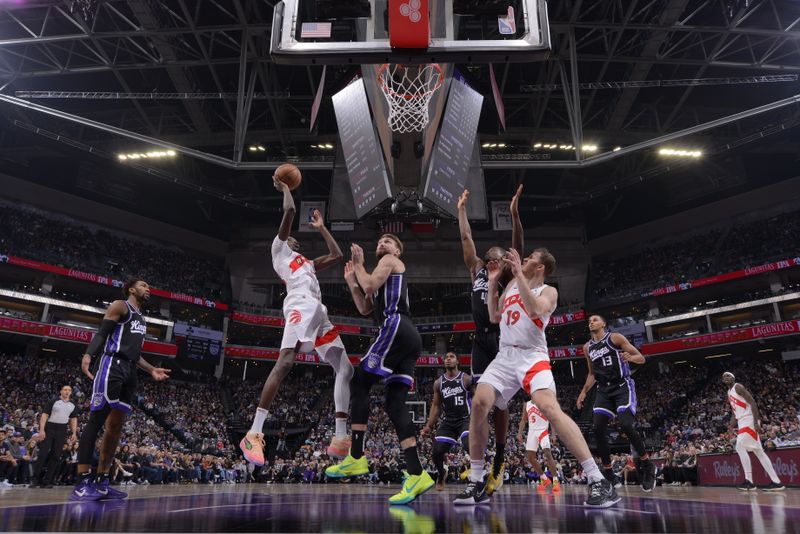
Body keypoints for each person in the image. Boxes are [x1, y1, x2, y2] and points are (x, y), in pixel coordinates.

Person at [454, 248, 619, 508]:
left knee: (550, 408)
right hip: (505, 357)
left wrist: (518, 274)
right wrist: (496, 282)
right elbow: (494, 316)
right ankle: (477, 481)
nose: (525, 259)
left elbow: (535, 310)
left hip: (532, 356)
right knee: (478, 403)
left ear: (540, 267)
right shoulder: (509, 287)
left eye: (530, 258)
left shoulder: (548, 291)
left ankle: (598, 479)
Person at [240, 175, 353, 465]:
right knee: (286, 361)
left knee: (345, 368)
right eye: (290, 236)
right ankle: (253, 433)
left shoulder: (308, 263)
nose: (294, 238)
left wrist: (322, 227)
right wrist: (286, 187)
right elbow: (289, 212)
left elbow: (337, 254)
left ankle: (340, 437)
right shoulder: (279, 252)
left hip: (318, 311)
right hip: (299, 305)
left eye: (294, 238)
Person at [325, 235, 434, 505]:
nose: (383, 242)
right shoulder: (383, 273)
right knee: (395, 404)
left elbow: (370, 283)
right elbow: (365, 307)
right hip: (409, 338)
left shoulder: (389, 261)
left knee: (359, 381)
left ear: (397, 250)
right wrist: (352, 281)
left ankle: (357, 456)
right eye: (381, 240)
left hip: (396, 325)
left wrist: (360, 265)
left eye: (389, 240)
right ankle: (417, 473)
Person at [71, 277, 171, 501]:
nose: (149, 288)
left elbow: (134, 354)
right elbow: (102, 333)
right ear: (131, 289)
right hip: (111, 366)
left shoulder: (142, 319)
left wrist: (151, 369)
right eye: (144, 285)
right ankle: (81, 482)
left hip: (130, 370)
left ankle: (102, 481)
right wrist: (88, 355)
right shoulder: (120, 305)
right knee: (96, 421)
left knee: (115, 427)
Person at [456, 185, 523, 493]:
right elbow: (467, 240)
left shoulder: (508, 274)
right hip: (480, 341)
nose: (489, 257)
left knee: (499, 403)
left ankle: (499, 459)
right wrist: (461, 211)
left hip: (502, 338)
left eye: (496, 255)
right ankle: (479, 467)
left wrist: (513, 215)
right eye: (488, 256)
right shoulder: (478, 271)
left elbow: (517, 246)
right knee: (479, 403)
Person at [577, 314, 656, 492]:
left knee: (626, 424)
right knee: (597, 428)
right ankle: (609, 473)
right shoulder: (587, 347)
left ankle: (647, 465)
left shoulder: (615, 338)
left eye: (595, 320)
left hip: (622, 386)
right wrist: (583, 392)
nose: (591, 322)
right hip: (603, 390)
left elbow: (641, 358)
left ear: (604, 323)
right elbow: (591, 374)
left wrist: (630, 357)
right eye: (589, 321)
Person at [722, 371, 784, 491]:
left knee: (739, 446)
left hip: (749, 419)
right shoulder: (729, 392)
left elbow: (752, 402)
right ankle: (777, 482)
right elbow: (735, 413)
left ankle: (749, 481)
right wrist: (730, 427)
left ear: (733, 378)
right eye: (724, 377)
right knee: (759, 452)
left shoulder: (738, 387)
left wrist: (756, 422)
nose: (726, 378)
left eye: (728, 376)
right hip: (742, 421)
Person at [420, 351, 472, 491]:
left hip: (465, 419)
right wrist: (428, 426)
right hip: (448, 421)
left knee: (469, 444)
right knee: (436, 452)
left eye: (451, 357)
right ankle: (442, 473)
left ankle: (476, 477)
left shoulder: (466, 379)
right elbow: (436, 406)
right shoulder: (439, 383)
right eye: (446, 358)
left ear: (457, 361)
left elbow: (477, 399)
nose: (448, 359)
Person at [31, 385, 78, 488]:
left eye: (69, 390)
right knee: (43, 454)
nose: (67, 391)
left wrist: (74, 433)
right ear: (61, 391)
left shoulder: (72, 404)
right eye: (65, 389)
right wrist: (42, 430)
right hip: (50, 428)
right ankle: (35, 479)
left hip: (62, 430)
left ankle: (47, 480)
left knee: (56, 456)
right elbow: (44, 415)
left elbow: (73, 419)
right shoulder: (53, 401)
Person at [517, 400, 560, 493]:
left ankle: (555, 481)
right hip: (532, 431)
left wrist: (553, 434)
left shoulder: (544, 402)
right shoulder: (527, 404)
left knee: (548, 454)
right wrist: (520, 433)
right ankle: (544, 479)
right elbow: (523, 420)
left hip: (543, 430)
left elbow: (551, 419)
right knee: (530, 458)